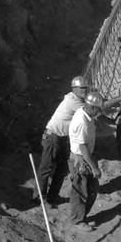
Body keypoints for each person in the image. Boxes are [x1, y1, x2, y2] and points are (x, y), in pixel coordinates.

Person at [33, 75, 89, 206]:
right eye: (82, 88)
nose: (84, 90)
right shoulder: (74, 102)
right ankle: (39, 198)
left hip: (62, 138)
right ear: (74, 89)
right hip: (52, 137)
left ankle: (52, 197)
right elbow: (91, 110)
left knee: (61, 168)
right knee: (46, 168)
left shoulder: (75, 98)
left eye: (86, 88)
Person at [68, 91, 106, 232]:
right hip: (81, 160)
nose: (100, 111)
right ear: (93, 108)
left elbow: (99, 117)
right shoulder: (82, 122)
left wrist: (112, 122)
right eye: (99, 109)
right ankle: (77, 221)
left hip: (85, 158)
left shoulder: (85, 112)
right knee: (81, 191)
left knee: (91, 189)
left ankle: (82, 216)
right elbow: (83, 148)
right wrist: (94, 168)